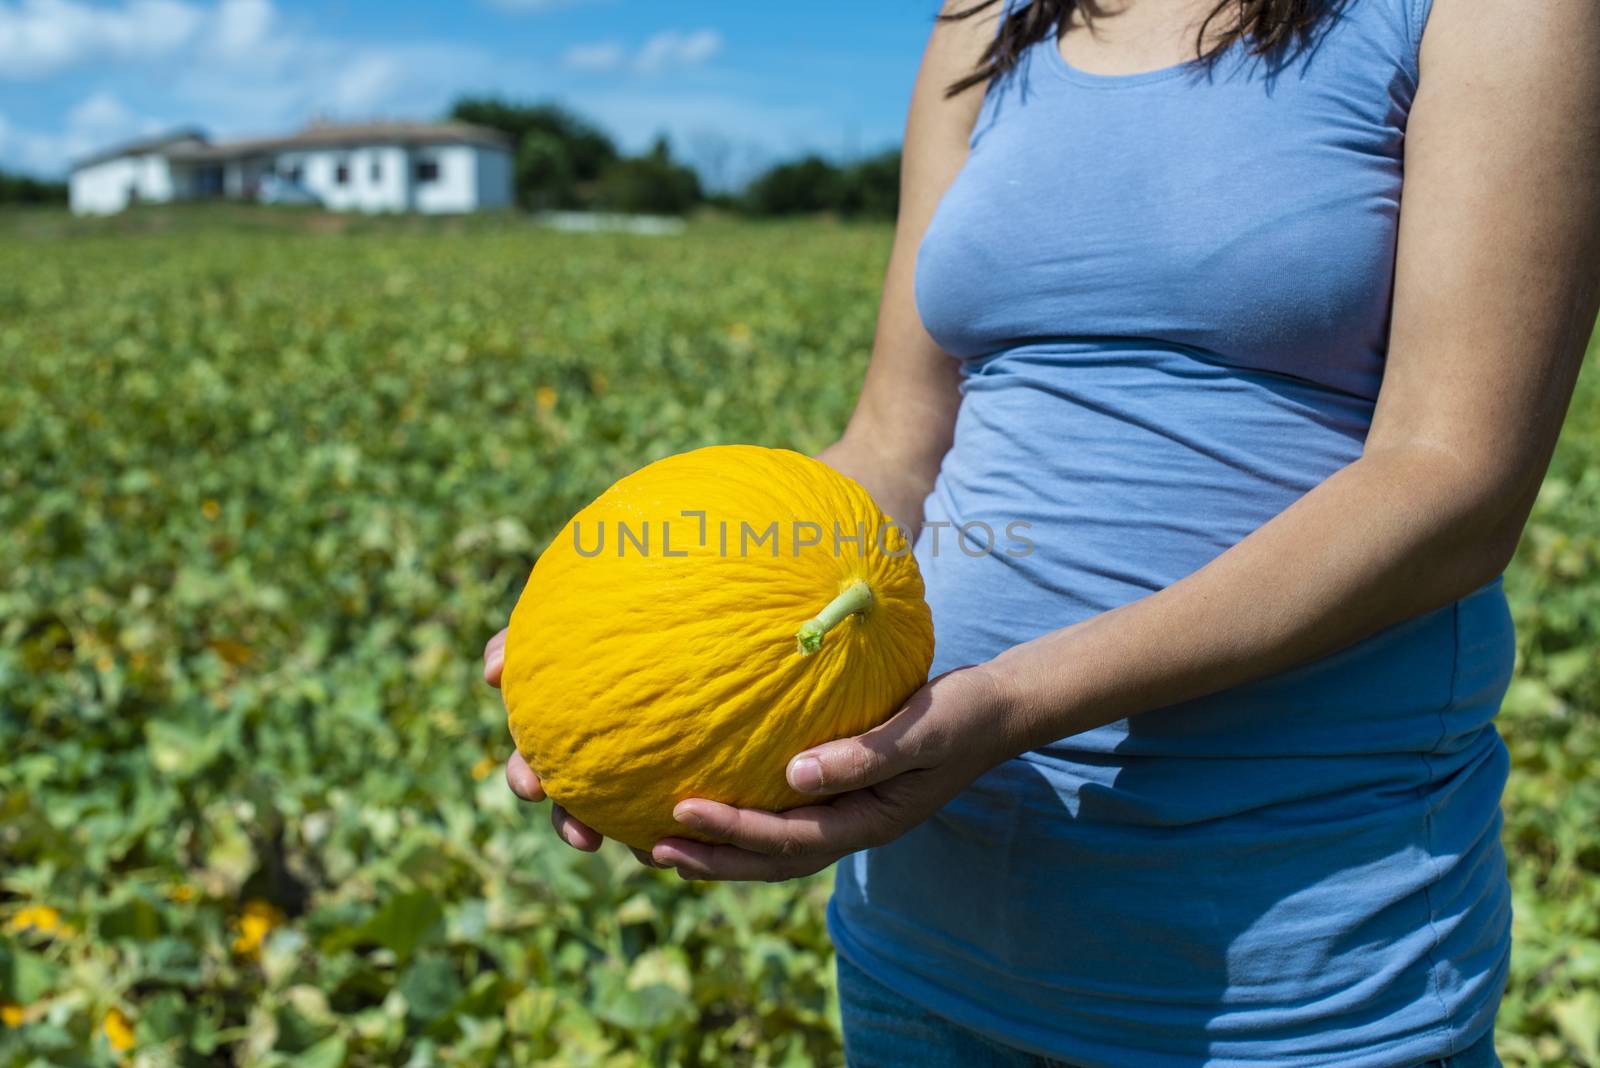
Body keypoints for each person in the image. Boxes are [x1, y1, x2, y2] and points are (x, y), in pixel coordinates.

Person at [482, 0, 1599, 1062]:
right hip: (923, 947)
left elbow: (1454, 482)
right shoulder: (990, 16)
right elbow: (893, 443)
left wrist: (1010, 704)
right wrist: (632, 626)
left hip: (1286, 981)